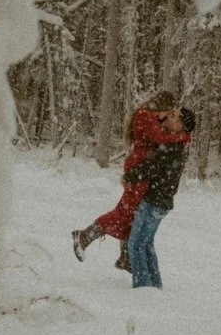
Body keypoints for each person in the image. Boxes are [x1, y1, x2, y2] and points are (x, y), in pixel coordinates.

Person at [72, 92, 191, 270]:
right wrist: (184, 137)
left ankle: (126, 257)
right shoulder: (145, 115)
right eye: (169, 113)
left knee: (132, 211)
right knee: (125, 211)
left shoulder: (152, 118)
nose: (167, 117)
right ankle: (86, 235)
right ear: (162, 107)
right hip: (139, 167)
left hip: (142, 167)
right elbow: (160, 139)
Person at [125, 106, 196, 290]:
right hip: (162, 202)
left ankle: (143, 289)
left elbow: (152, 168)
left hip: (154, 201)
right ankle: (155, 287)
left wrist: (130, 175)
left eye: (174, 117)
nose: (169, 118)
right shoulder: (178, 143)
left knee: (135, 244)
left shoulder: (172, 146)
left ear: (180, 126)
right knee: (146, 243)